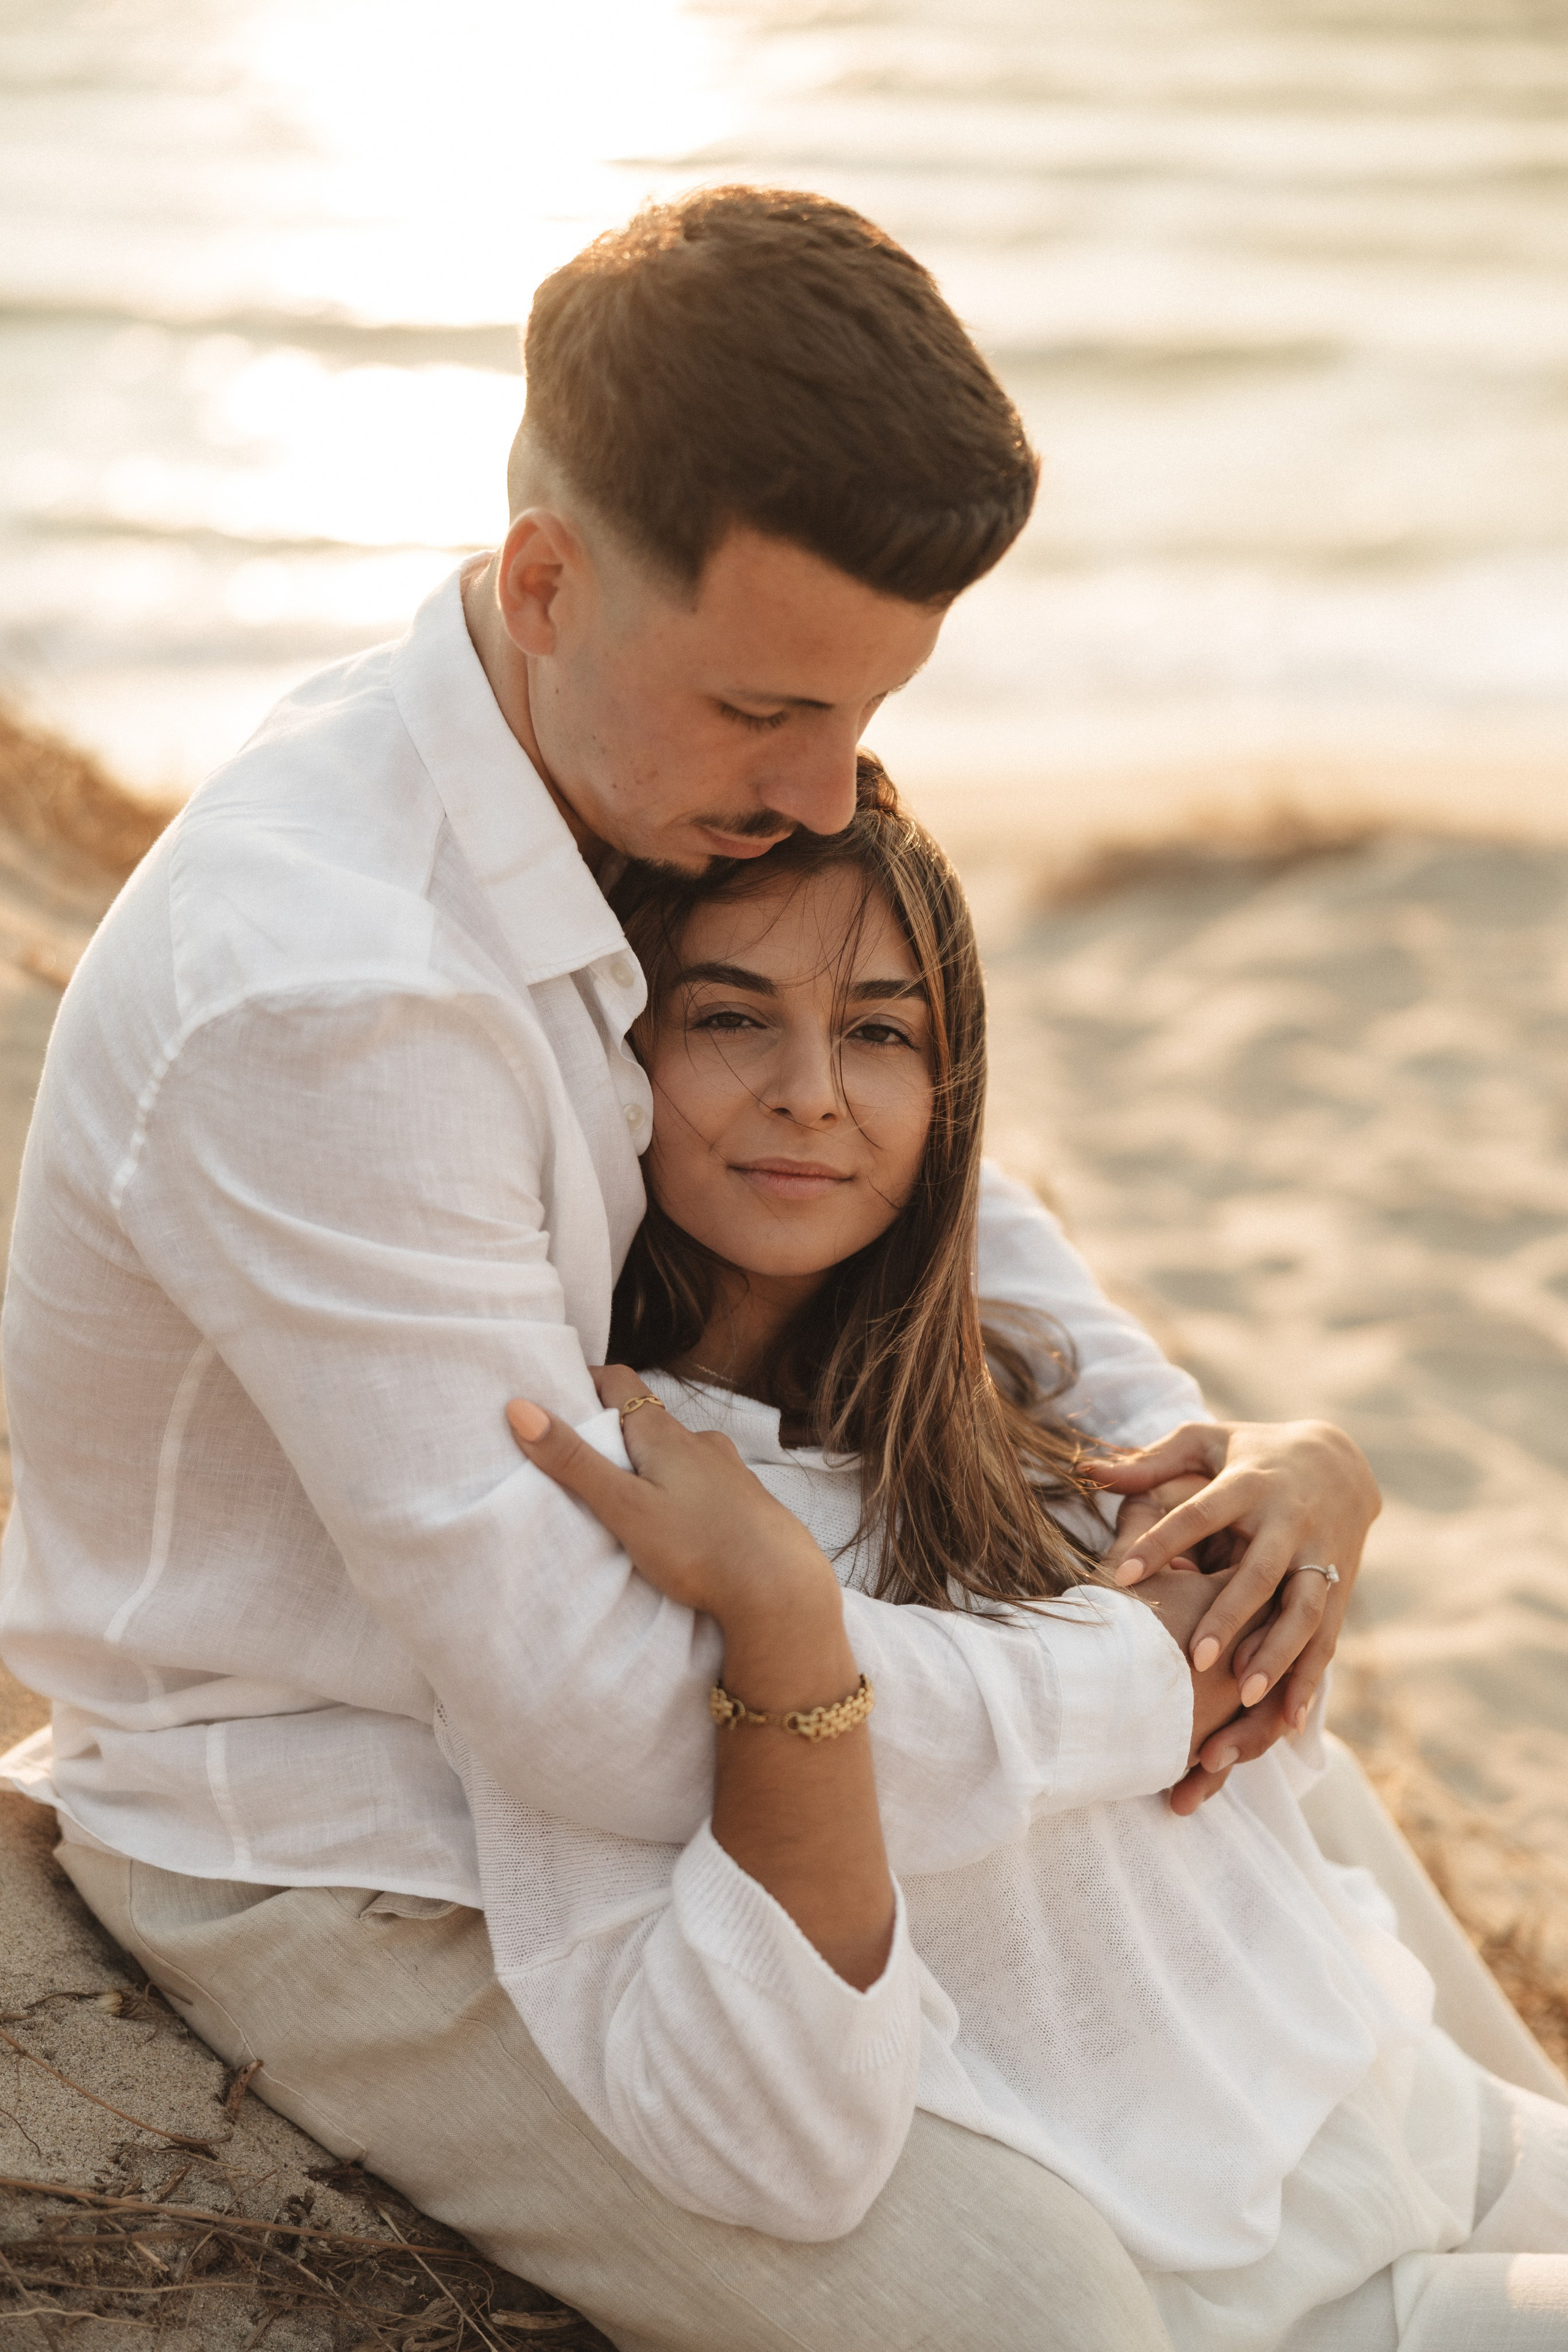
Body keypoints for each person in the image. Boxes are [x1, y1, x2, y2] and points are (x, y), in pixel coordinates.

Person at [0, 187, 1398, 2349]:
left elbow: (911, 1169)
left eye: (871, 707)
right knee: (1040, 2317)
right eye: (773, 706)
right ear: (545, 580)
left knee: (1318, 1883)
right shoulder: (326, 998)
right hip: (349, 1824)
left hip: (638, 1717)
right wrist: (1139, 1684)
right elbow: (591, 1723)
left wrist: (1196, 1465)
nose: (833, 784)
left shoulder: (626, 757)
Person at [489, 764, 1568, 2351]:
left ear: (949, 1090)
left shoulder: (991, 1400)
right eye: (729, 1019)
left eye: (879, 1032)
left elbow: (1250, 1723)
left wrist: (1319, 1465)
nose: (812, 1091)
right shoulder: (651, 1494)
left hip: (1430, 2125)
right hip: (1276, 2290)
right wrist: (1135, 1658)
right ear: (622, 1056)